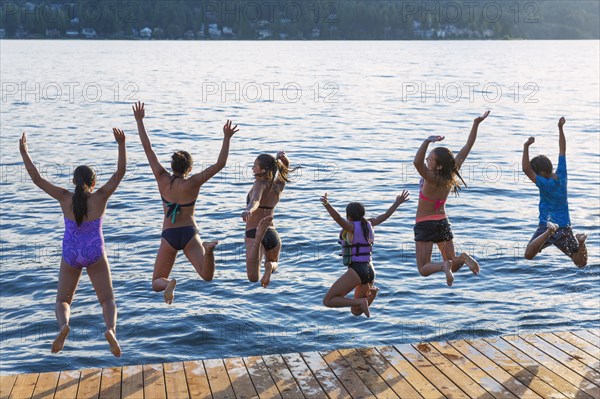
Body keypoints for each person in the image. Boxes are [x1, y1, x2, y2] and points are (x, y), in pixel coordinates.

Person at [19, 129, 126, 357]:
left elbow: (37, 179)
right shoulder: (100, 198)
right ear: (93, 182)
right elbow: (120, 173)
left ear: (74, 181)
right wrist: (121, 144)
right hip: (94, 251)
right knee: (107, 300)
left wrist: (24, 152)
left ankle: (64, 326)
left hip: (71, 252)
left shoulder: (64, 197)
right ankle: (111, 330)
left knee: (62, 300)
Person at [133, 101, 238, 304]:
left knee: (156, 281)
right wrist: (226, 138)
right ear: (189, 168)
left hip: (169, 235)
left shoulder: (162, 179)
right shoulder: (194, 182)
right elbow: (220, 164)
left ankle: (169, 283)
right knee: (207, 276)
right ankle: (208, 251)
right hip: (190, 233)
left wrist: (139, 120)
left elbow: (147, 148)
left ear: (172, 166)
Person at [412, 111, 490, 286]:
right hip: (443, 222)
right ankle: (462, 258)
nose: (427, 160)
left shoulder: (432, 178)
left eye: (430, 159)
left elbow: (416, 163)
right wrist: (476, 124)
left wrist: (426, 141)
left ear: (438, 166)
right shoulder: (451, 173)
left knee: (423, 269)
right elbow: (467, 146)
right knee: (455, 264)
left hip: (425, 223)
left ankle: (443, 267)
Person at [320, 191, 410, 317]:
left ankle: (362, 301)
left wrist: (327, 205)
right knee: (355, 311)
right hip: (370, 270)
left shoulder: (351, 227)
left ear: (349, 217)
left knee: (328, 301)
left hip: (357, 270)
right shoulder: (370, 223)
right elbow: (386, 215)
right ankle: (371, 295)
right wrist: (397, 202)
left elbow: (338, 219)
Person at [522, 117, 588, 267]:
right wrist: (560, 128)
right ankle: (581, 242)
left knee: (528, 255)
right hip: (565, 227)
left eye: (536, 173)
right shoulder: (562, 174)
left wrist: (526, 146)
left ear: (542, 173)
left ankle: (548, 233)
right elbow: (562, 149)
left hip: (547, 225)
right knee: (580, 263)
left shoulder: (544, 183)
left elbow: (525, 169)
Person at [242, 151, 291, 288]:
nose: (252, 168)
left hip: (254, 232)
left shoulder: (259, 184)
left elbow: (256, 200)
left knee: (253, 277)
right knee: (274, 263)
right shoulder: (278, 186)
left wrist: (249, 210)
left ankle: (258, 238)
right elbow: (285, 168)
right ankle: (270, 267)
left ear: (262, 170)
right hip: (272, 234)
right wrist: (283, 159)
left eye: (254, 166)